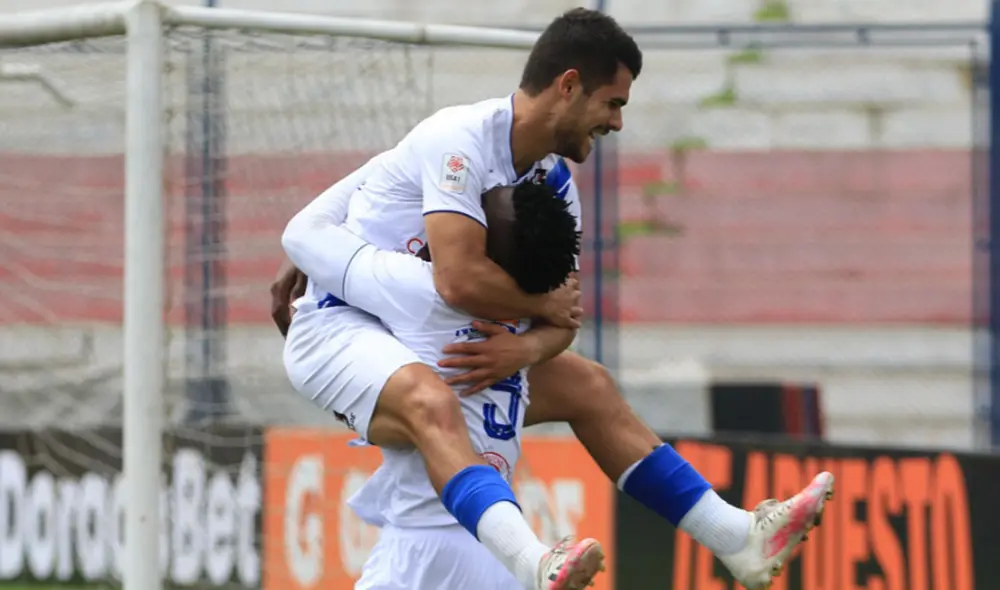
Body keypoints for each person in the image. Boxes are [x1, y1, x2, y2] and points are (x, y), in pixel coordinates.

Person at [278, 8, 834, 590]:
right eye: (612, 103)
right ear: (568, 85)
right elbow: (460, 282)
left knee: (587, 385)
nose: (618, 122)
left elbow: (563, 314)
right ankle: (534, 561)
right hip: (344, 324)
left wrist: (524, 351)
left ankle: (736, 537)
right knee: (430, 402)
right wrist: (536, 311)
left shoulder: (552, 185)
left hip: (446, 338)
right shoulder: (460, 141)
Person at [330, 181, 584, 589]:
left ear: (488, 249)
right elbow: (567, 321)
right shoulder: (524, 330)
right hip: (497, 548)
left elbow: (310, 241)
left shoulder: (422, 294)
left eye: (479, 217)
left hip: (423, 548)